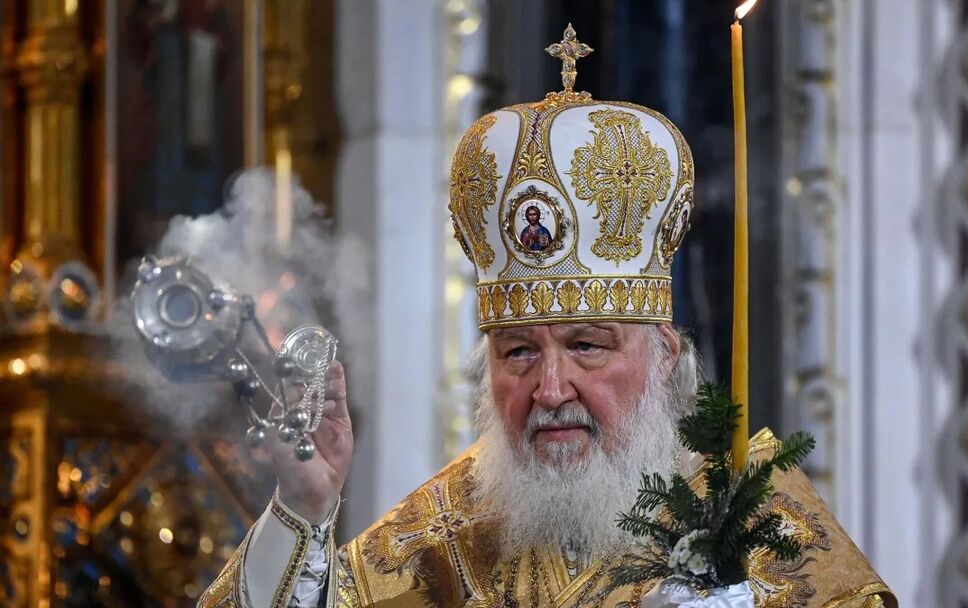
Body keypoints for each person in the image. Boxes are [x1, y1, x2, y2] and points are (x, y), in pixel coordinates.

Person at [200, 32, 895, 608]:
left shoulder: (757, 518)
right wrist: (303, 510)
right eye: (518, 353)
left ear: (665, 355)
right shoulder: (449, 530)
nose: (551, 389)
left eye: (587, 346)